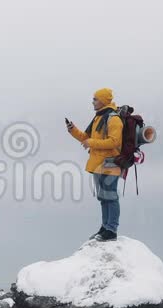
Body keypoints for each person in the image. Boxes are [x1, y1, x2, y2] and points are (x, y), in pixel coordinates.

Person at [67, 88, 123, 241]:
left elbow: (114, 142)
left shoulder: (113, 119)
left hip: (111, 163)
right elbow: (85, 137)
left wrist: (91, 142)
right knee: (103, 197)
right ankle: (105, 227)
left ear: (104, 100)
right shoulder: (98, 117)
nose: (92, 102)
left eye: (95, 99)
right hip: (98, 164)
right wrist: (73, 131)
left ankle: (111, 229)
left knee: (110, 196)